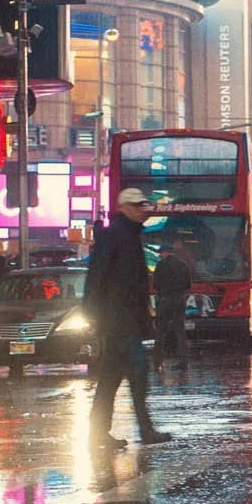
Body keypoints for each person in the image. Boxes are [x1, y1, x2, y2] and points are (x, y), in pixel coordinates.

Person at [86, 187, 170, 447]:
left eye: (142, 205)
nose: (141, 210)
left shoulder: (130, 235)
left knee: (110, 379)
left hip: (123, 319)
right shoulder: (116, 236)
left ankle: (99, 432)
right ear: (123, 207)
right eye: (136, 205)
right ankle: (145, 430)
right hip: (119, 320)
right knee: (138, 372)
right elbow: (97, 278)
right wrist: (96, 315)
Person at [150, 241, 191, 367]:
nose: (160, 255)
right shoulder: (182, 265)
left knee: (160, 331)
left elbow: (155, 284)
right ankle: (184, 361)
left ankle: (157, 361)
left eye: (161, 253)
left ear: (165, 252)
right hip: (179, 299)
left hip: (165, 299)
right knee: (180, 331)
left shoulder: (161, 266)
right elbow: (188, 284)